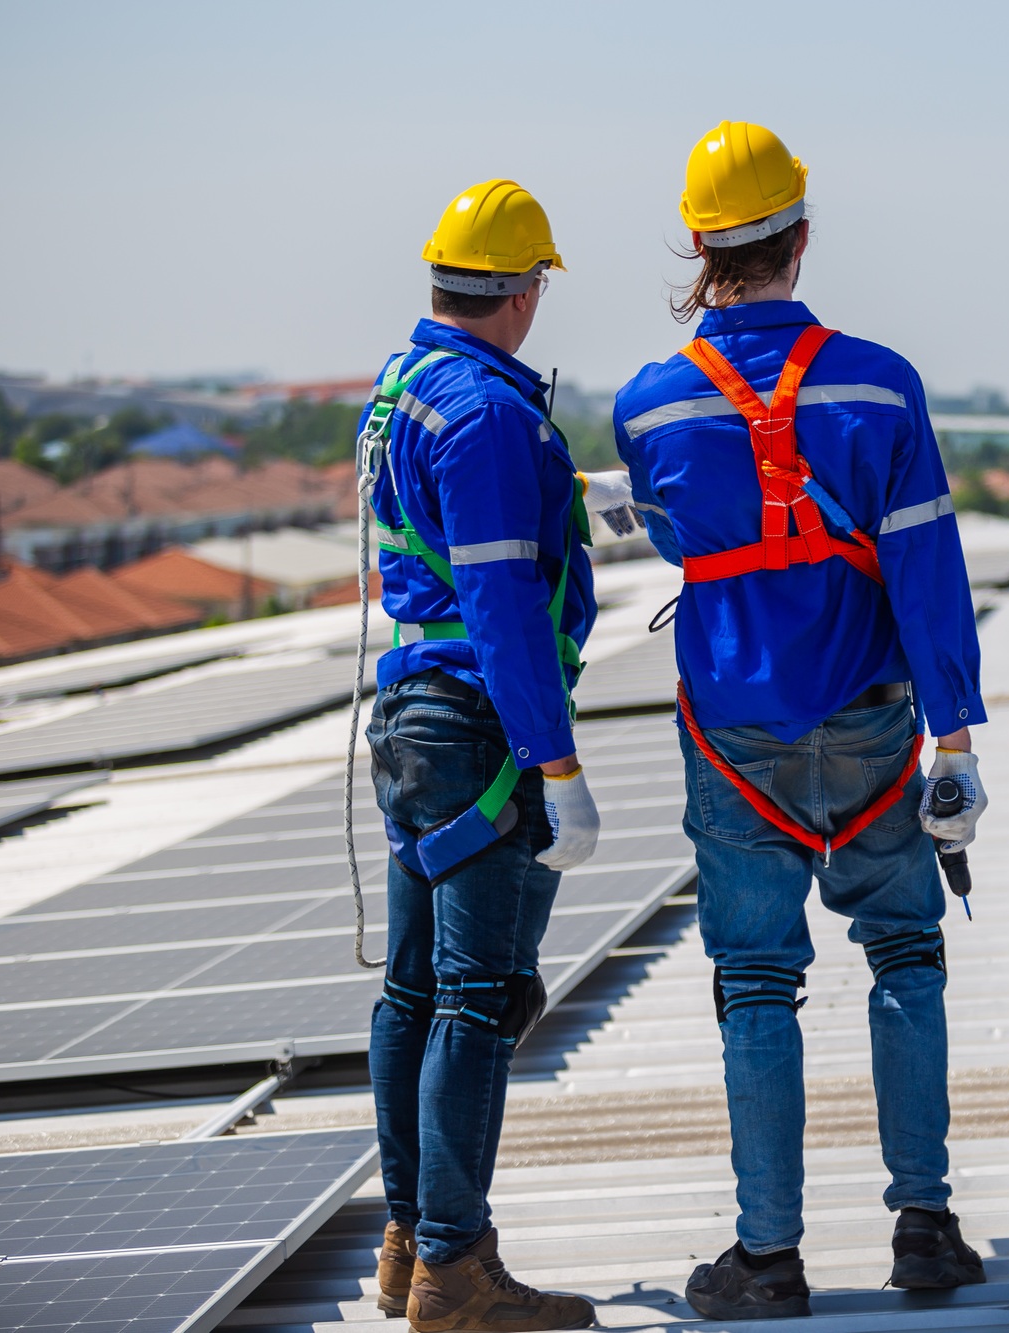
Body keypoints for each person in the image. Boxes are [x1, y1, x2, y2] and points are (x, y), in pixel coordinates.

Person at [612, 120, 991, 1321]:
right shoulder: (881, 384)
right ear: (801, 234)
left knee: (754, 978)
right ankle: (922, 1226)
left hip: (735, 735)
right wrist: (958, 737)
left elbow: (679, 538)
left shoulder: (649, 406)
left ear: (698, 245)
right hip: (875, 718)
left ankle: (766, 1257)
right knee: (904, 954)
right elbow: (927, 564)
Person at [361, 178, 632, 1332]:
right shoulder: (482, 413)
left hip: (416, 714)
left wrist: (585, 503)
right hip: (479, 726)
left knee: (413, 990)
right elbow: (506, 602)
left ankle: (408, 1240)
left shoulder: (407, 388)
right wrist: (555, 765)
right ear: (523, 291)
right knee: (478, 997)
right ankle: (455, 1272)